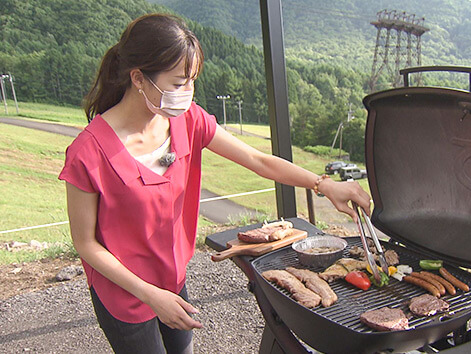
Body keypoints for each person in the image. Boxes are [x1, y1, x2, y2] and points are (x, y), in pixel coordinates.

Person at [59, 13, 371, 354]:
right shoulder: (89, 152)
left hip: (172, 278)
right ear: (138, 78)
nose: (187, 93)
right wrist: (150, 295)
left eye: (192, 81)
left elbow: (258, 161)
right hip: (124, 293)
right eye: (178, 83)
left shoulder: (188, 121)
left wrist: (323, 184)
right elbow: (86, 244)